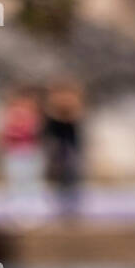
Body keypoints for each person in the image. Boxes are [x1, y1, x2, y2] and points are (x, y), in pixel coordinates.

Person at [0, 89, 45, 215]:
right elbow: (7, 134)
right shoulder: (10, 115)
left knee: (30, 181)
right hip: (15, 153)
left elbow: (35, 134)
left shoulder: (34, 116)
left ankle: (32, 208)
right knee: (16, 180)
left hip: (29, 152)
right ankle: (16, 207)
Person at [43, 80, 84, 213]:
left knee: (71, 177)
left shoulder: (74, 114)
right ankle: (59, 206)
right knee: (57, 178)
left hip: (70, 151)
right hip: (57, 151)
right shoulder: (51, 115)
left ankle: (71, 206)